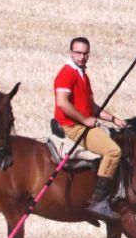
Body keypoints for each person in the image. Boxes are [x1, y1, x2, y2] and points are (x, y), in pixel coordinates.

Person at [54, 37, 128, 221]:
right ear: (71, 53)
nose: (82, 56)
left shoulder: (82, 75)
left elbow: (92, 106)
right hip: (72, 126)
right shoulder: (67, 73)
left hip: (83, 122)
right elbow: (62, 103)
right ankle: (99, 202)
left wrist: (113, 119)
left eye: (85, 53)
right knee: (113, 151)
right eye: (78, 53)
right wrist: (85, 120)